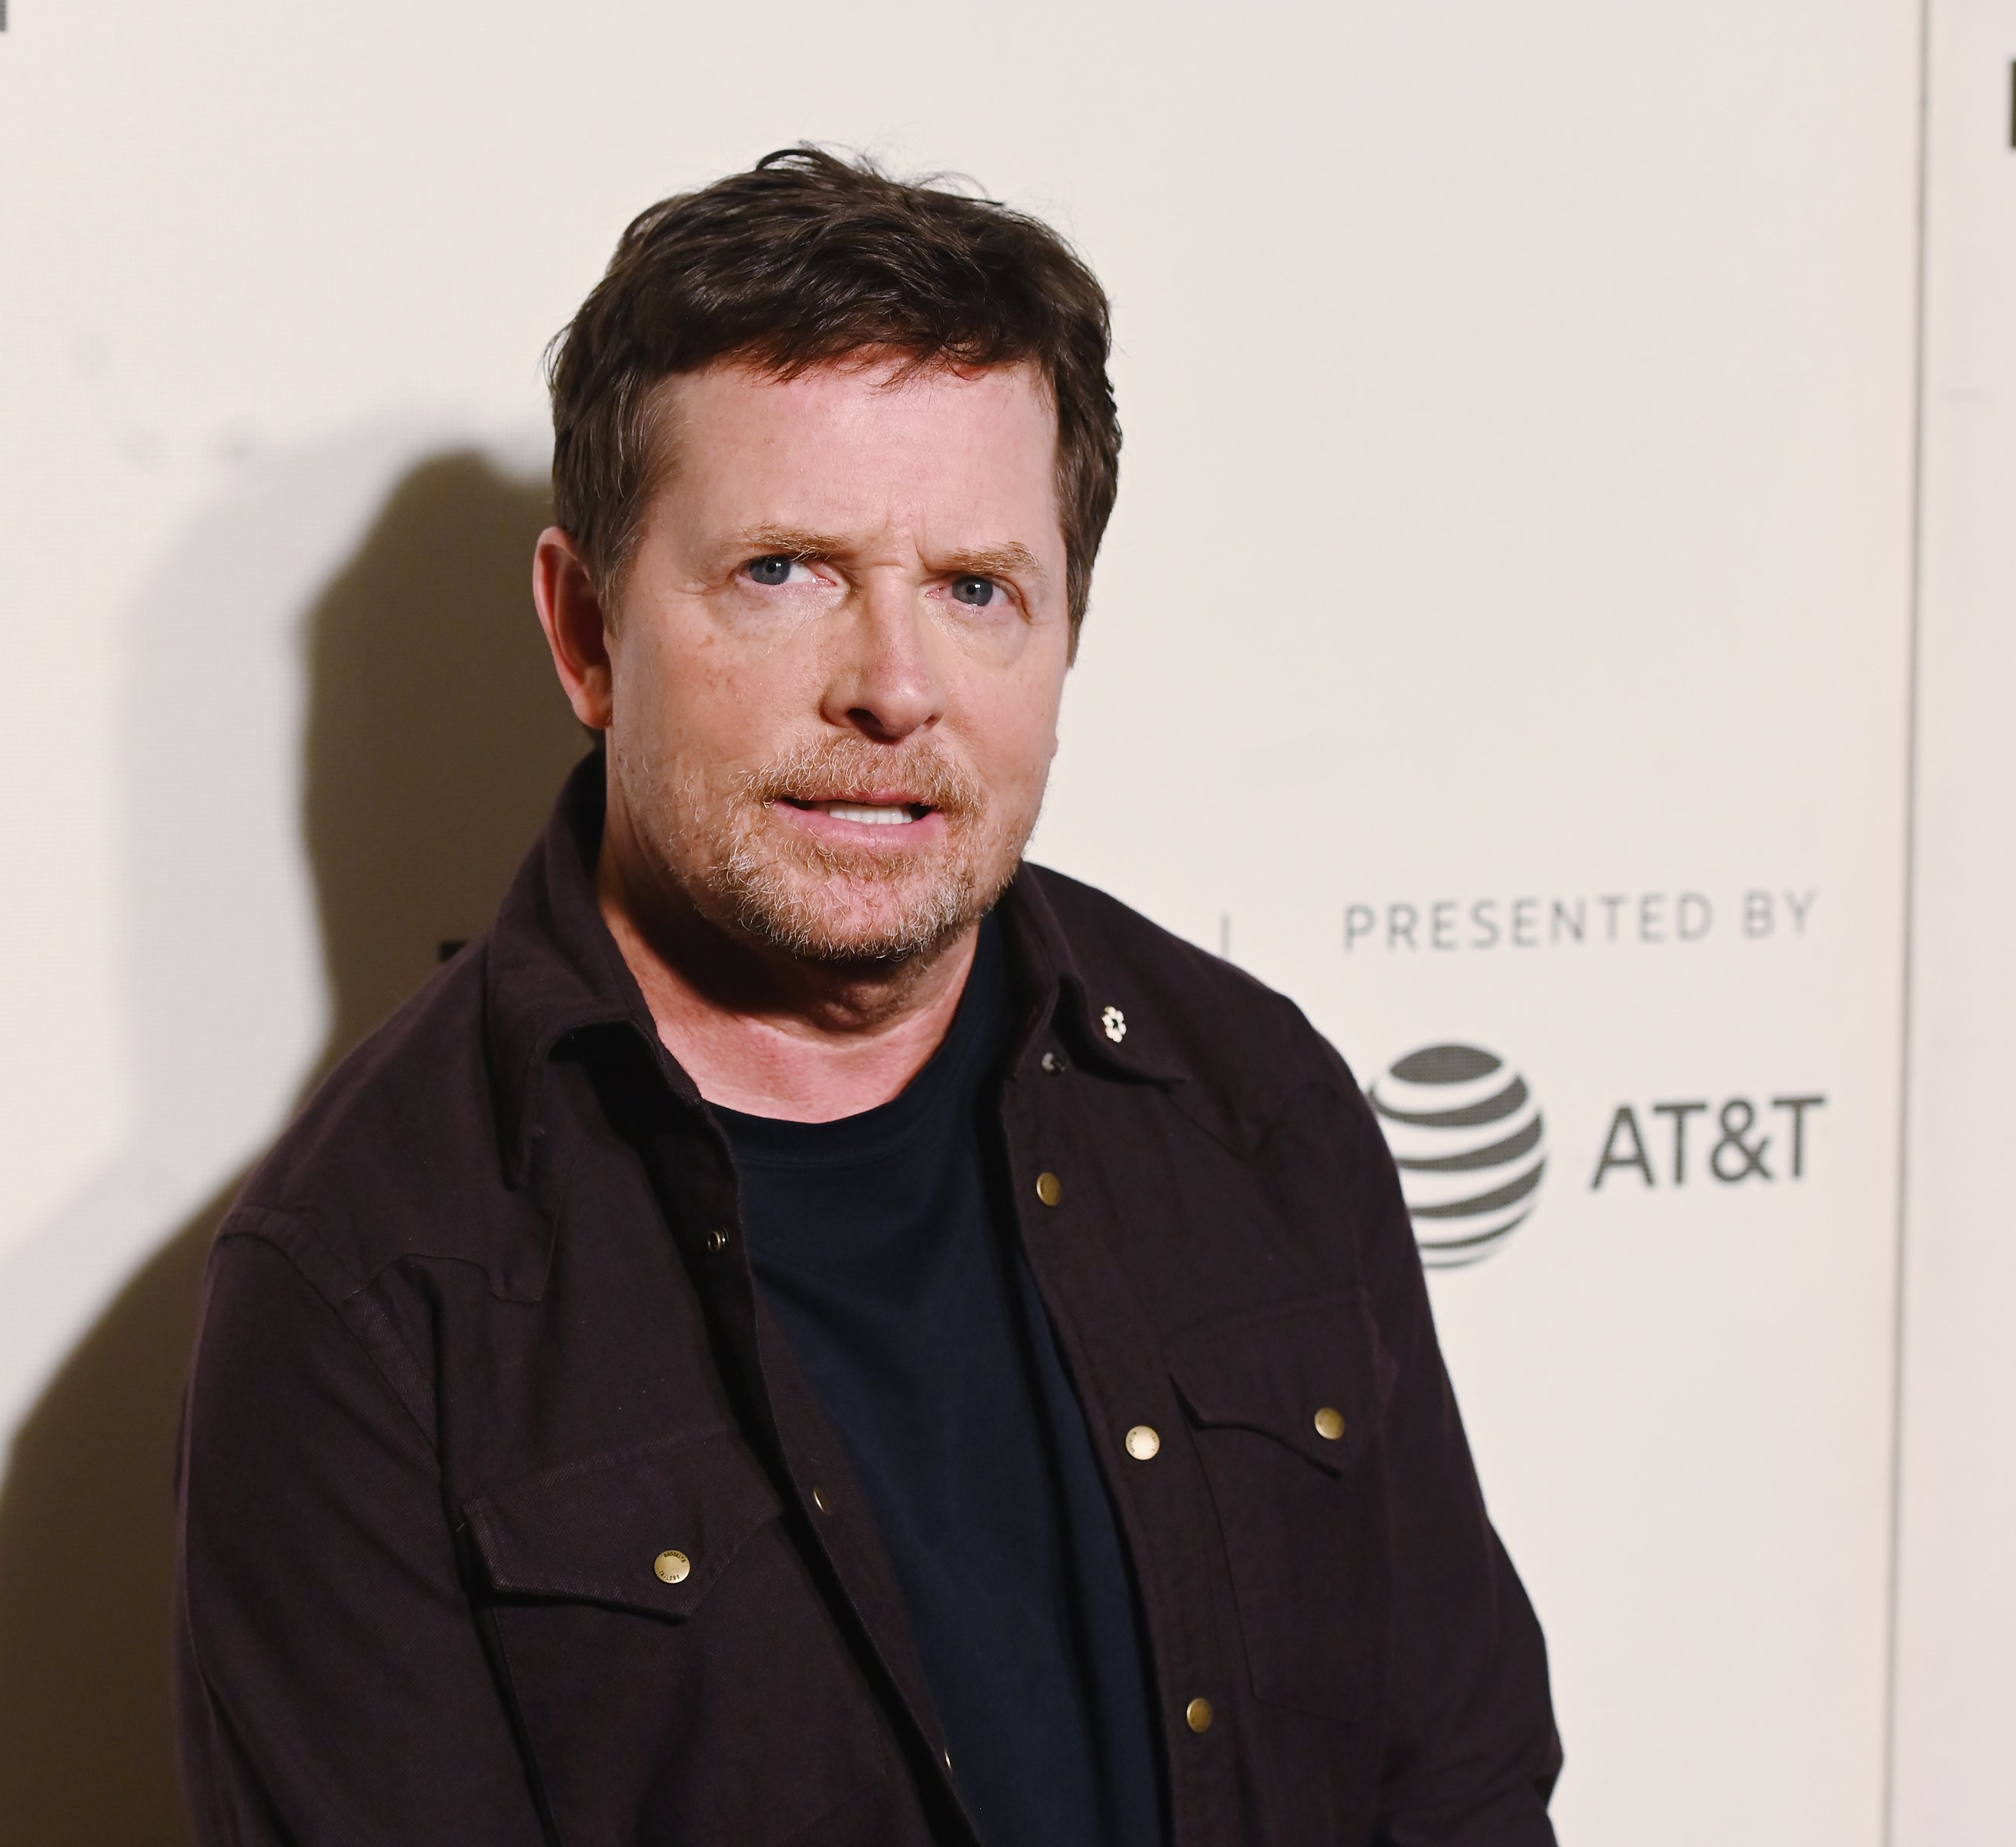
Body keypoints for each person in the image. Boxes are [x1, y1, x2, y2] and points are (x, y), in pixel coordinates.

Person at [172, 147, 1561, 1847]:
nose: (894, 688)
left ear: (1064, 638)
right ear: (587, 630)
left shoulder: (1248, 1095)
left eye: (976, 591)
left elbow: (1464, 1790)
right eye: (785, 572)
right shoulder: (372, 1292)